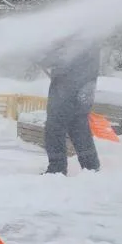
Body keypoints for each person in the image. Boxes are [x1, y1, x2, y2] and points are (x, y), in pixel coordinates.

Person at [42, 41, 102, 174]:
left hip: (66, 90)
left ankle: (57, 169)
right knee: (79, 127)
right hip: (84, 90)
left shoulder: (75, 38)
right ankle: (91, 166)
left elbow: (61, 58)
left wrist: (43, 58)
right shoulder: (90, 37)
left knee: (54, 129)